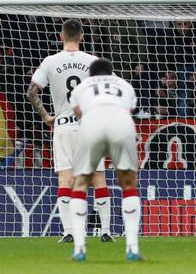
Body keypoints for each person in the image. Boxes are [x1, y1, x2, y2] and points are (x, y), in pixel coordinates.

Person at [27, 19, 113, 243]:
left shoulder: (50, 61)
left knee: (66, 181)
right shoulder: (93, 61)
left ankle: (69, 232)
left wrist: (46, 116)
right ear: (82, 37)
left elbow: (31, 93)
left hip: (63, 126)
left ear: (61, 36)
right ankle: (105, 231)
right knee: (98, 179)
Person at [69, 59, 143, 262]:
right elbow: (130, 110)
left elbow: (78, 112)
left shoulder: (83, 86)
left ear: (91, 75)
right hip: (121, 123)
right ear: (111, 73)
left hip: (91, 123)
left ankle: (79, 249)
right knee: (128, 183)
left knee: (81, 182)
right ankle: (132, 248)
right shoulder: (124, 85)